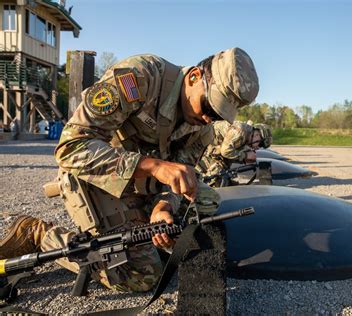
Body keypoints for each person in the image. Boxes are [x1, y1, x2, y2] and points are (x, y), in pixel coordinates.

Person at [0, 47, 259, 292]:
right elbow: (70, 148)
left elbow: (180, 179)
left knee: (206, 198)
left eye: (217, 116)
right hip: (97, 177)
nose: (207, 119)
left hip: (142, 185)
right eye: (209, 106)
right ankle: (40, 234)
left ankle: (143, 225)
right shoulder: (141, 77)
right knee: (141, 275)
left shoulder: (202, 130)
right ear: (194, 77)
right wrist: (153, 166)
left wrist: (164, 206)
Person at [196, 121, 272, 186]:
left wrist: (244, 159)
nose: (258, 148)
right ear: (257, 135)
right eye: (260, 144)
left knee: (225, 175)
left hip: (209, 149)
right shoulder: (240, 131)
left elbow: (231, 154)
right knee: (217, 176)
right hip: (199, 148)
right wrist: (245, 155)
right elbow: (225, 151)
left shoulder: (245, 138)